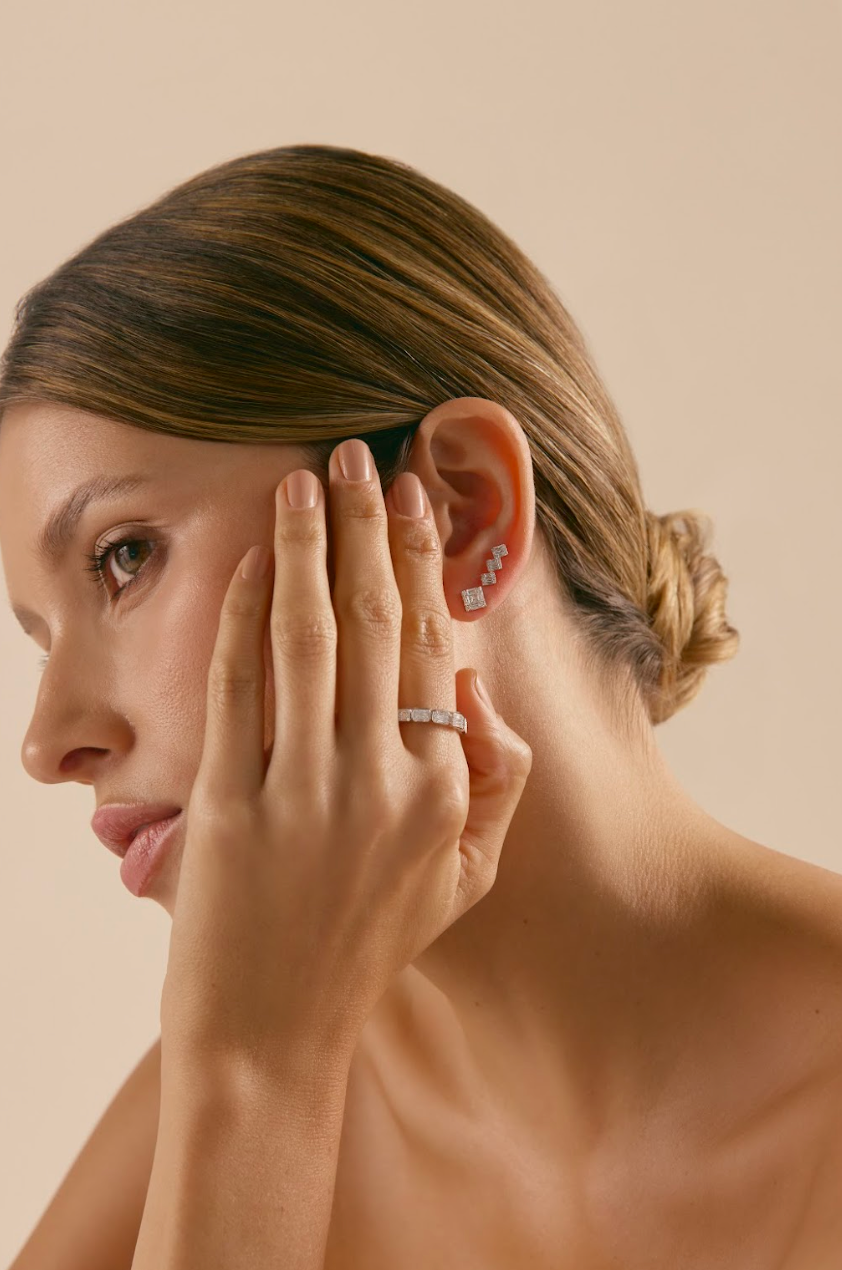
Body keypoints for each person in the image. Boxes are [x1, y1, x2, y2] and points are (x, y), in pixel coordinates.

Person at [2, 143, 840, 1268]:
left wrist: (259, 1066)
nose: (51, 742)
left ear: (457, 510)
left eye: (123, 558)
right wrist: (258, 1078)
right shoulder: (222, 1078)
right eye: (38, 637)